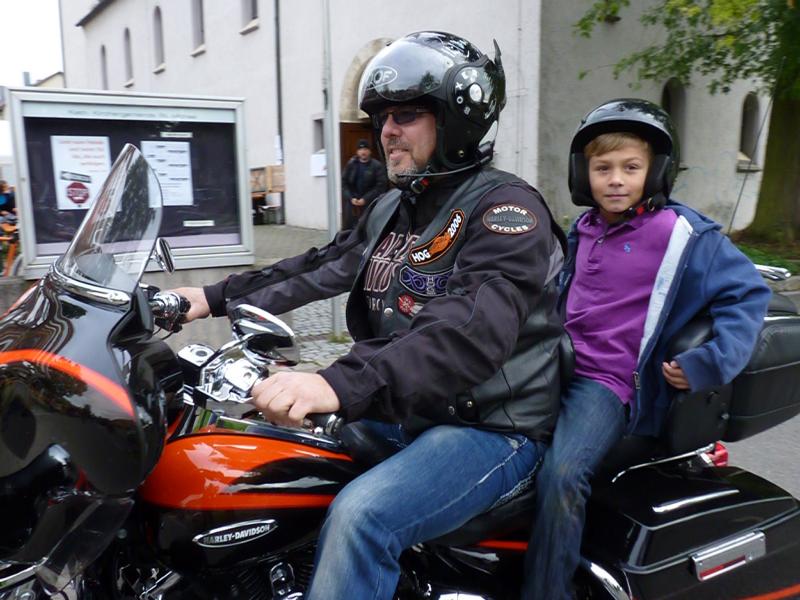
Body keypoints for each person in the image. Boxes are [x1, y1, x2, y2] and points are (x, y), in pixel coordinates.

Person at [174, 31, 567, 599]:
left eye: (406, 115)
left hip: (488, 427)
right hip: (408, 409)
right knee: (265, 460)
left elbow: (467, 331)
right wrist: (208, 298)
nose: (386, 131)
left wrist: (335, 383)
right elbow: (321, 266)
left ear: (458, 122)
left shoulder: (507, 211)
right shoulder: (393, 207)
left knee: (362, 519)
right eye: (382, 117)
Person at [521, 98, 771, 599]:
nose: (616, 180)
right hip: (550, 367)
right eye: (603, 168)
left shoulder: (682, 235)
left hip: (607, 386)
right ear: (583, 174)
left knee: (562, 475)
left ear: (655, 171)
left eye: (631, 168)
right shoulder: (583, 230)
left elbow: (748, 294)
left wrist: (709, 363)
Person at [341, 138, 387, 228]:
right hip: (352, 206)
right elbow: (344, 184)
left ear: (370, 151)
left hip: (371, 204)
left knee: (368, 228)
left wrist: (365, 199)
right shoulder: (351, 164)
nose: (363, 152)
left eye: (365, 149)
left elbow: (381, 186)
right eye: (361, 149)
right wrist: (351, 198)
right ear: (357, 152)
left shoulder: (377, 166)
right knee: (350, 229)